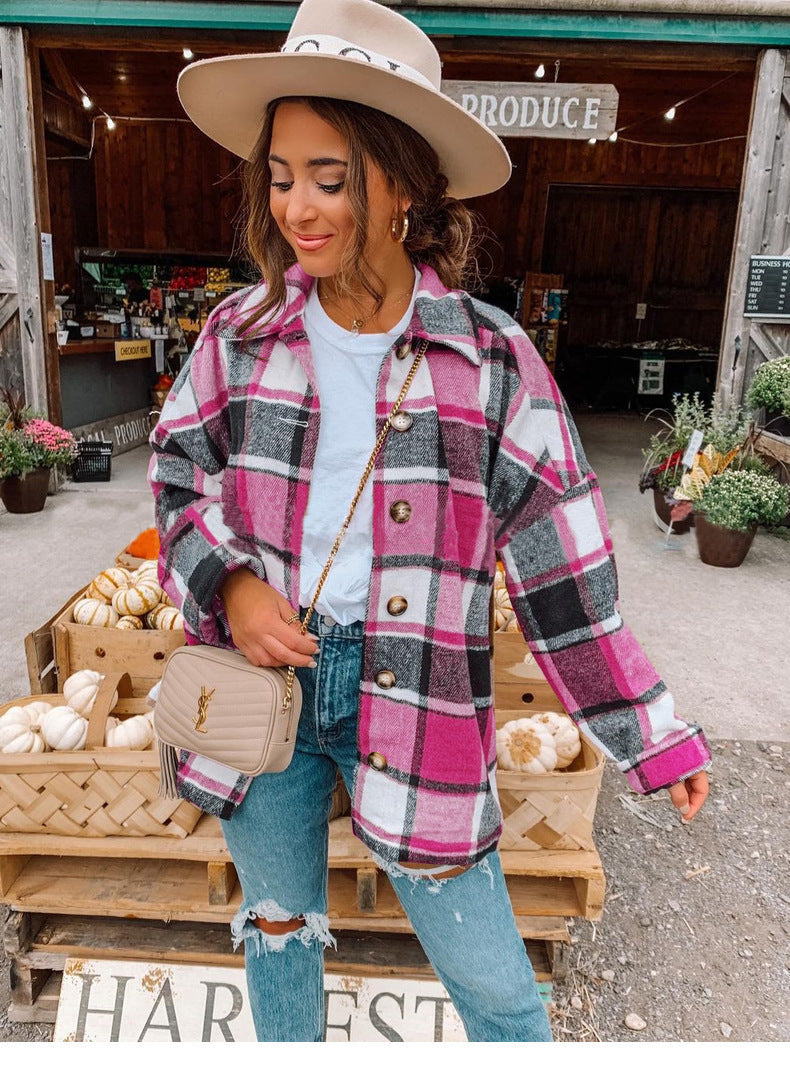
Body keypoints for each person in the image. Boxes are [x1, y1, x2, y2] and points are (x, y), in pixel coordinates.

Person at [149, 0, 711, 1043]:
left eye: (330, 176)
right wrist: (230, 584)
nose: (297, 210)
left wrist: (650, 735)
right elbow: (178, 472)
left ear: (404, 181)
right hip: (260, 685)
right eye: (280, 177)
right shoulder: (242, 334)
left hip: (415, 695)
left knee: (494, 987)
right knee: (278, 927)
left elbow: (563, 577)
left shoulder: (491, 363)